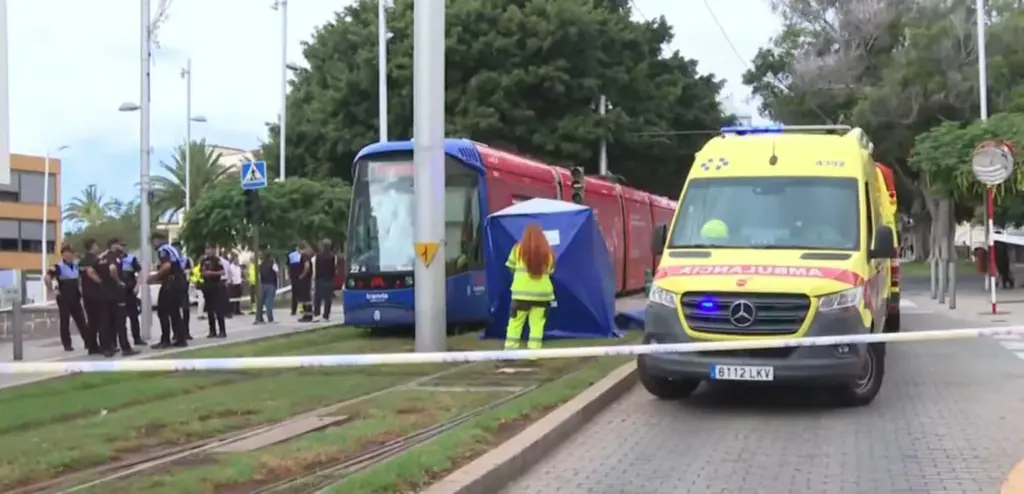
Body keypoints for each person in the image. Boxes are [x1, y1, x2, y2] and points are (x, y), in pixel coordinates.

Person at [503, 223, 556, 351]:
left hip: (521, 294)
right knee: (537, 325)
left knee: (515, 324)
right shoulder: (548, 252)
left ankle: (509, 352)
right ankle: (534, 353)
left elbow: (510, 267)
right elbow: (551, 271)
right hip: (542, 295)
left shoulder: (517, 249)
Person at [44, 245, 97, 353]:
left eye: (70, 253)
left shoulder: (76, 266)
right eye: (66, 253)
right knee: (65, 321)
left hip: (75, 296)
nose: (69, 256)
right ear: (63, 255)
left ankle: (88, 342)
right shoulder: (58, 267)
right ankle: (67, 344)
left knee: (81, 320)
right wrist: (52, 290)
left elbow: (81, 277)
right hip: (64, 297)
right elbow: (47, 277)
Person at [150, 232, 187, 348]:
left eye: (153, 242)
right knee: (175, 312)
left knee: (163, 311)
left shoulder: (162, 250)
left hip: (171, 283)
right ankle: (181, 339)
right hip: (178, 281)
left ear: (157, 240)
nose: (152, 245)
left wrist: (154, 277)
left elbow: (166, 266)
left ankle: (165, 340)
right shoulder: (172, 249)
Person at [101, 239, 137, 357]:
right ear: (113, 245)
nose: (122, 247)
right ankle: (125, 347)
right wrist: (119, 281)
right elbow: (112, 269)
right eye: (120, 245)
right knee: (120, 322)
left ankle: (108, 348)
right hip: (116, 293)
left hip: (104, 293)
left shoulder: (102, 258)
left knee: (107, 322)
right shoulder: (114, 257)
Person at [79, 238, 108, 354]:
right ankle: (104, 346)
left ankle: (92, 347)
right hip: (97, 294)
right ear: (92, 246)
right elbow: (91, 273)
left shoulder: (81, 262)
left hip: (87, 294)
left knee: (91, 321)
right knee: (102, 320)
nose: (98, 247)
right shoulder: (95, 260)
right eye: (96, 245)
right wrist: (101, 281)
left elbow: (80, 278)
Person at [117, 242, 146, 345]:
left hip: (130, 291)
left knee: (134, 316)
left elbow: (140, 271)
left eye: (122, 246)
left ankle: (137, 338)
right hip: (118, 293)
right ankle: (118, 342)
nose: (121, 248)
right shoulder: (112, 259)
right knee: (120, 318)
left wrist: (138, 285)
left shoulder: (131, 259)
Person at [198, 244, 227, 338]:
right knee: (209, 310)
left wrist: (211, 273)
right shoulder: (203, 261)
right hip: (207, 286)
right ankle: (212, 331)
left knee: (218, 310)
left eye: (210, 249)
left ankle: (222, 331)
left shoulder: (217, 260)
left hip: (216, 286)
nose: (208, 251)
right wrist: (203, 275)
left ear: (214, 250)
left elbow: (222, 272)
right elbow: (200, 272)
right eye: (206, 249)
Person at [171, 241, 193, 340]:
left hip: (184, 288)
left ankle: (186, 332)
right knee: (174, 312)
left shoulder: (186, 260)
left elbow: (190, 271)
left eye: (178, 248)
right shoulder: (170, 260)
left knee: (186, 310)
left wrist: (187, 272)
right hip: (173, 288)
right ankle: (176, 333)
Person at [313, 239, 338, 321]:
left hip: (319, 278)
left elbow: (316, 267)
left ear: (323, 246)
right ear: (330, 246)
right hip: (329, 279)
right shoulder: (332, 256)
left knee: (317, 298)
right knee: (328, 299)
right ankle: (326, 316)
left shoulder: (318, 256)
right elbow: (333, 268)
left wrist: (315, 277)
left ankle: (316, 315)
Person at [256, 253, 279, 323]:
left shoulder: (261, 265)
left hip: (263, 284)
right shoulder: (273, 264)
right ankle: (270, 318)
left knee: (261, 302)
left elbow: (259, 275)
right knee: (269, 302)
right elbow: (277, 273)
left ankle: (259, 317)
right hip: (271, 284)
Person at [294, 242, 314, 322]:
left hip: (305, 279)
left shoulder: (304, 256)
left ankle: (307, 316)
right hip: (307, 278)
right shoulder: (308, 255)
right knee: (306, 298)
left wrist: (302, 275)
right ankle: (308, 314)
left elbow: (307, 266)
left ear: (299, 248)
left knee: (305, 298)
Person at [287, 245, 302, 315]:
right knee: (298, 293)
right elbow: (288, 266)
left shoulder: (293, 255)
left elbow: (289, 266)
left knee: (296, 293)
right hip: (297, 274)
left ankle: (296, 309)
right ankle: (296, 309)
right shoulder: (293, 255)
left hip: (296, 274)